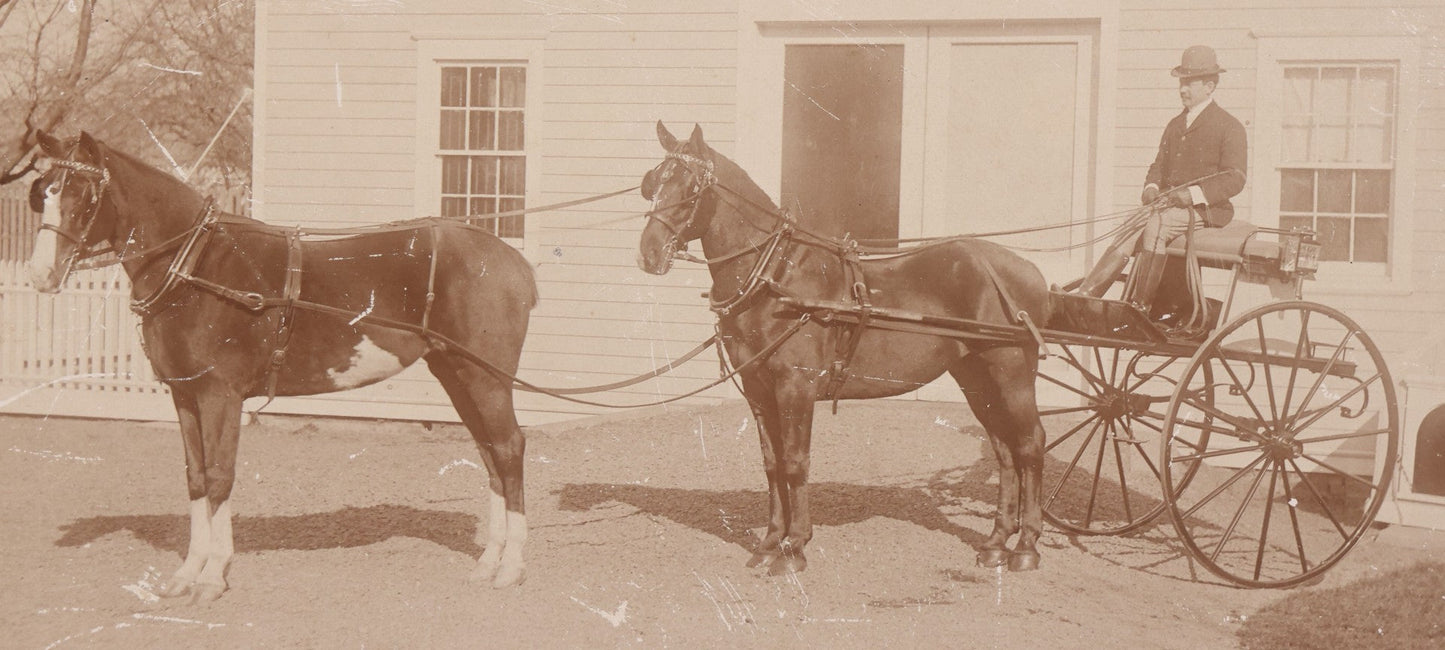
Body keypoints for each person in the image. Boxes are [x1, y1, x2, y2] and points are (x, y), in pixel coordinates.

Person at [1075, 45, 1247, 311]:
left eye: (1190, 82)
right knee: (1134, 223)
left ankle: (1139, 305)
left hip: (1207, 211)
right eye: (1181, 81)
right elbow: (1158, 165)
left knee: (1157, 224)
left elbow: (1235, 178)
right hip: (1167, 206)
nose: (1182, 89)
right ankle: (1087, 294)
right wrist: (1151, 187)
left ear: (1210, 86)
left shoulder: (1229, 126)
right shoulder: (1175, 125)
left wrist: (1192, 195)